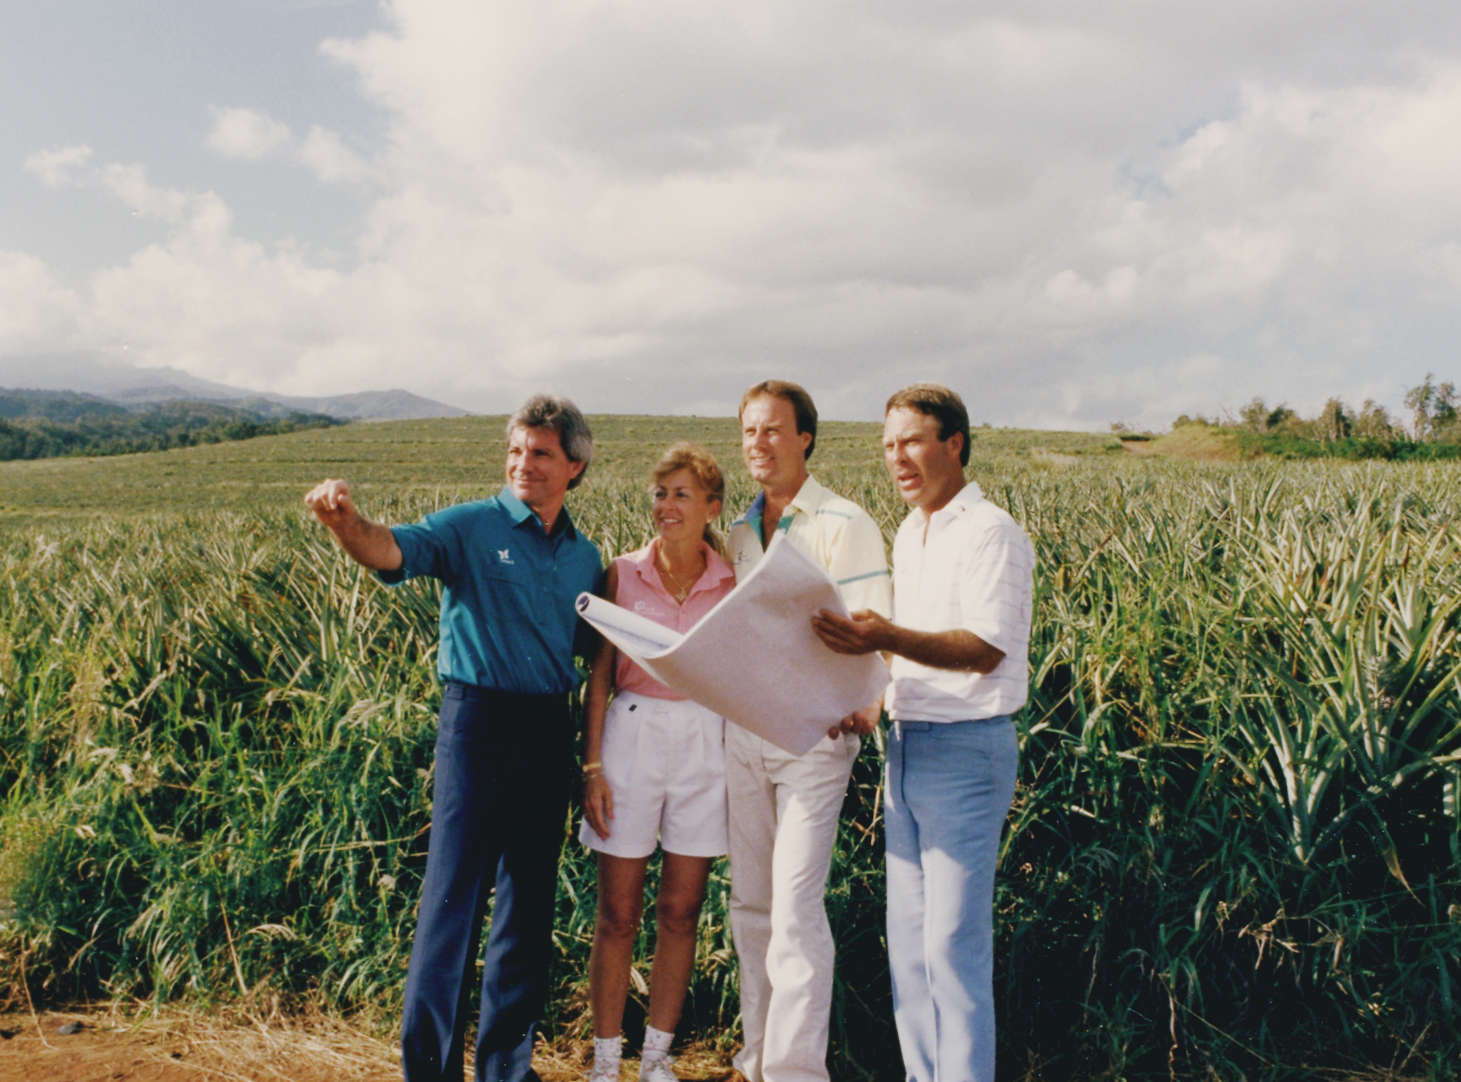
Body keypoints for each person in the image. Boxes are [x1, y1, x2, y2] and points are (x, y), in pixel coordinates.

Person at [303, 394, 603, 1082]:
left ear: (575, 467)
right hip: (477, 723)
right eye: (516, 450)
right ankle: (430, 1071)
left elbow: (602, 656)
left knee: (527, 908)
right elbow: (390, 549)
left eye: (541, 453)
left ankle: (506, 1068)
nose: (522, 463)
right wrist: (344, 522)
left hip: (546, 726)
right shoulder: (469, 526)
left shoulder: (585, 559)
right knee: (451, 904)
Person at [811, 383, 1034, 1082]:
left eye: (910, 441)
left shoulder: (991, 531)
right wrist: (869, 700)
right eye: (887, 445)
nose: (896, 458)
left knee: (951, 943)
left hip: (967, 751)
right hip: (905, 745)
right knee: (908, 944)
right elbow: (910, 657)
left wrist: (885, 636)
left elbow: (984, 648)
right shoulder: (912, 530)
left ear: (954, 445)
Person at [724, 380, 891, 1082]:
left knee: (793, 909)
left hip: (814, 739)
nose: (758, 445)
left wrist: (864, 703)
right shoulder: (736, 530)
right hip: (740, 734)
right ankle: (756, 1058)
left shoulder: (843, 521)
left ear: (804, 438)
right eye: (748, 433)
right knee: (750, 906)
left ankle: (795, 1073)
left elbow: (873, 631)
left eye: (772, 431)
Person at [578, 443, 737, 1082]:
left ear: (711, 507)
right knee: (617, 913)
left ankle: (655, 1060)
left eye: (680, 495)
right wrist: (591, 768)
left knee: (680, 911)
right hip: (630, 739)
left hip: (705, 741)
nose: (666, 507)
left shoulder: (730, 579)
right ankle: (606, 1061)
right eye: (659, 494)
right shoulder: (621, 573)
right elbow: (598, 675)